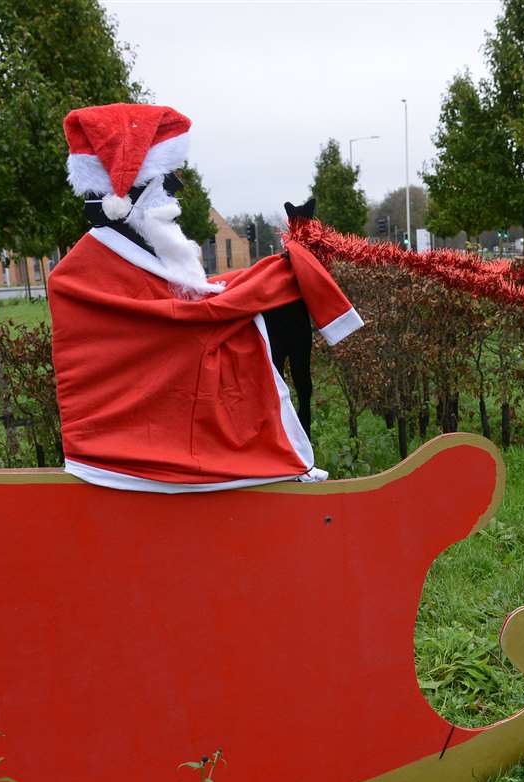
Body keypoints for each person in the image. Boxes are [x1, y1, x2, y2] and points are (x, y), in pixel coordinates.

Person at [48, 103, 363, 492]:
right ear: (124, 194)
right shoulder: (86, 272)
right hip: (115, 459)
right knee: (261, 325)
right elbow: (183, 316)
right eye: (168, 180)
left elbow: (185, 299)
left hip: (114, 453)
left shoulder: (126, 251)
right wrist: (270, 281)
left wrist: (268, 274)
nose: (177, 191)